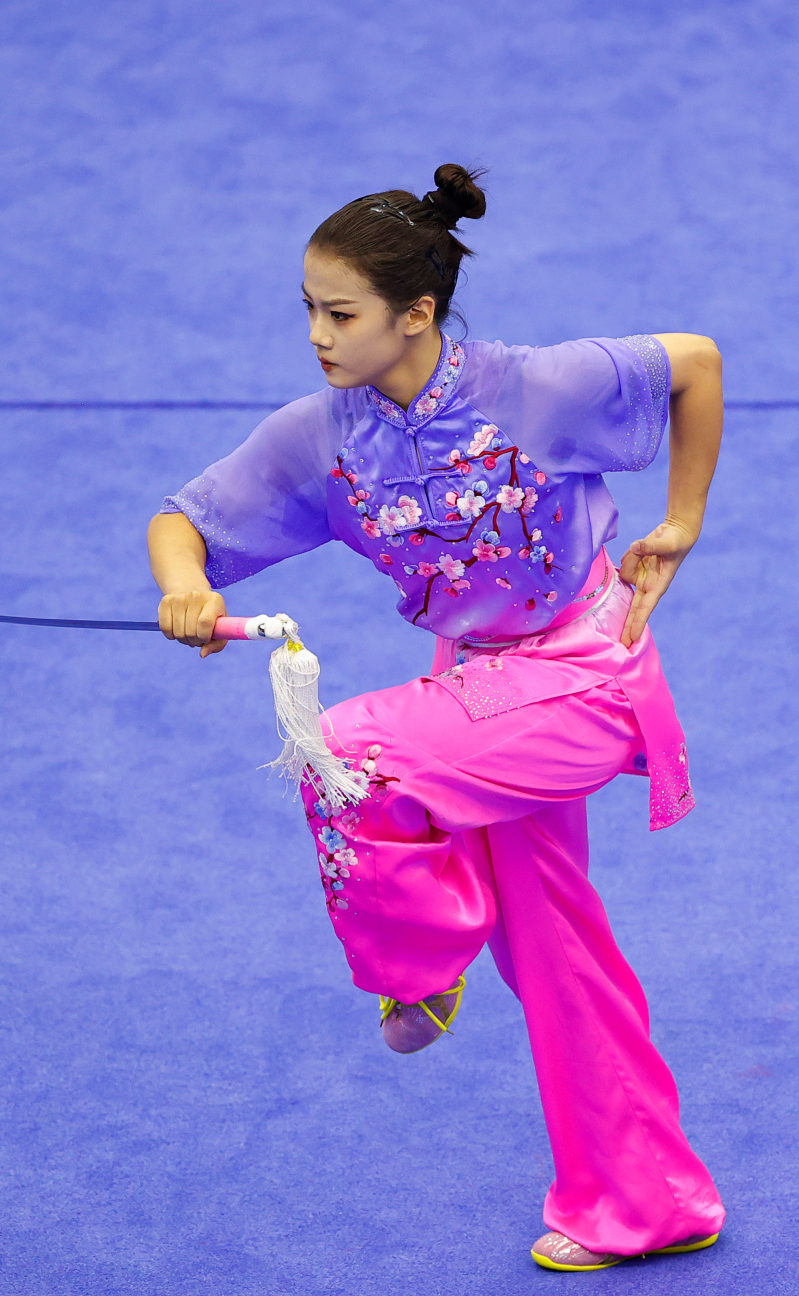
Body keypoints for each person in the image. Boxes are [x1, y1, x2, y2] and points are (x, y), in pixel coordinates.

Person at [147, 164, 725, 1272]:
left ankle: (421, 955)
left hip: (585, 674)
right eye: (308, 311)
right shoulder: (324, 437)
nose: (316, 334)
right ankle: (647, 1202)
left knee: (354, 749)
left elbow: (693, 364)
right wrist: (188, 587)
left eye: (339, 313)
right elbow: (183, 519)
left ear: (415, 315)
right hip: (482, 692)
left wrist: (680, 520)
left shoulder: (534, 388)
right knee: (557, 955)